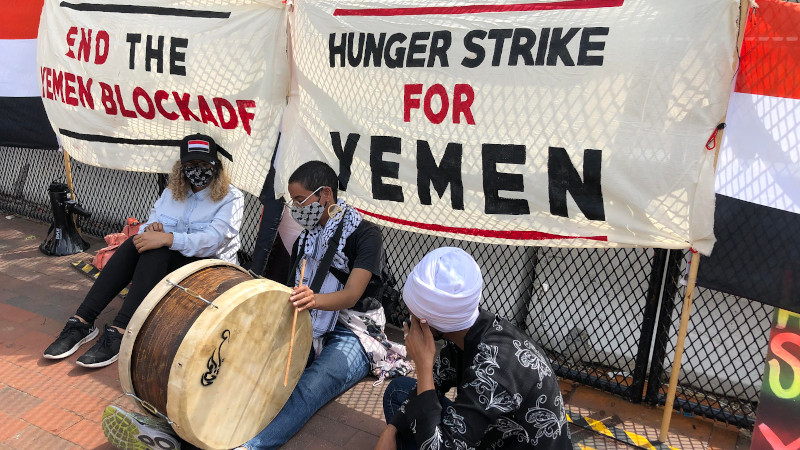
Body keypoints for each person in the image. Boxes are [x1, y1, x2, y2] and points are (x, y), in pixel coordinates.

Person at [101, 160, 407, 450]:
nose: (296, 208)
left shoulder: (365, 234)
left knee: (309, 388)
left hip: (354, 332)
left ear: (325, 194)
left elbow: (353, 294)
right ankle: (177, 429)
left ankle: (248, 445)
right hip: (309, 316)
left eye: (300, 200)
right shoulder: (307, 238)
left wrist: (313, 299)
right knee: (247, 366)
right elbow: (291, 288)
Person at [43, 134, 243, 368]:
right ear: (181, 167)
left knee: (155, 250)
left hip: (210, 268)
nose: (196, 170)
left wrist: (166, 238)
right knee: (136, 243)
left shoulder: (231, 197)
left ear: (215, 166)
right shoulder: (172, 192)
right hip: (174, 258)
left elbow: (213, 241)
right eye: (189, 165)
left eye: (203, 165)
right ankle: (83, 320)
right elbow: (151, 222)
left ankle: (121, 330)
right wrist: (153, 229)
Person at [376, 247, 572, 450]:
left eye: (413, 315)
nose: (409, 321)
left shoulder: (493, 369)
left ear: (429, 322)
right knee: (398, 392)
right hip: (496, 435)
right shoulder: (467, 329)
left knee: (417, 424)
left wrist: (423, 365)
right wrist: (391, 430)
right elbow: (436, 381)